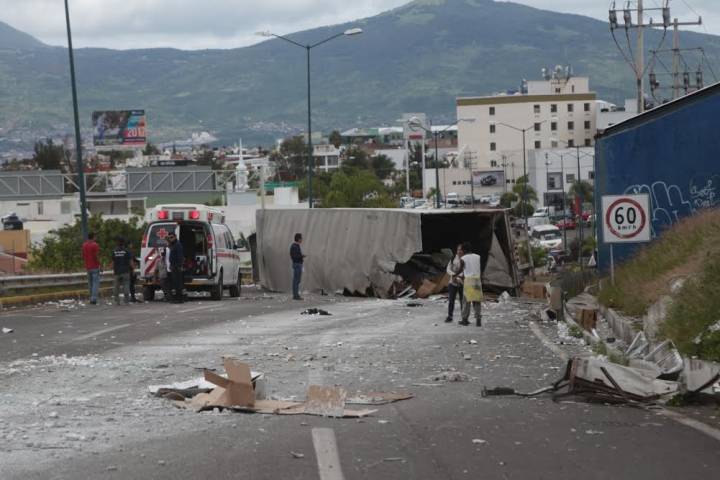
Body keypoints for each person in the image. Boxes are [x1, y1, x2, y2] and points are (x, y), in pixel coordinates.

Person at [460, 242, 483, 327]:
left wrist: (455, 275)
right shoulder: (478, 256)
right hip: (477, 280)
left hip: (468, 281)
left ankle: (464, 319)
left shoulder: (463, 258)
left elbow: (461, 269)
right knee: (477, 300)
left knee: (466, 301)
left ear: (464, 250)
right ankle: (478, 320)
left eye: (462, 249)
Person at [111, 237, 133, 306]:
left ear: (117, 243)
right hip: (125, 271)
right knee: (126, 285)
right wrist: (133, 269)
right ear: (123, 243)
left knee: (116, 286)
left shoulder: (114, 251)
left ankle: (117, 301)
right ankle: (126, 301)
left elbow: (112, 263)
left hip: (117, 272)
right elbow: (131, 262)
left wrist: (113, 269)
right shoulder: (127, 251)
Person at [445, 243, 464, 323]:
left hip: (461, 282)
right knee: (451, 300)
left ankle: (464, 317)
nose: (459, 251)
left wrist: (459, 276)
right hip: (452, 282)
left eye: (461, 250)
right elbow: (448, 269)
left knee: (462, 301)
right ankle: (450, 316)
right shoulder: (453, 258)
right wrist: (453, 275)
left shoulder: (465, 259)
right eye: (458, 249)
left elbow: (466, 270)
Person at [82, 232, 101, 305]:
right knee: (95, 283)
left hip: (88, 266)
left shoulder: (84, 245)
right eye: (95, 236)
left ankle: (91, 298)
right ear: (93, 237)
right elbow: (96, 256)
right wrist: (100, 264)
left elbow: (83, 255)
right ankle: (93, 299)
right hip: (95, 266)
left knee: (90, 283)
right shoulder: (95, 245)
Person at [167, 232, 185, 303]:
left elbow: (180, 256)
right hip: (173, 265)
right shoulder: (173, 244)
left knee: (178, 283)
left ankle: (179, 299)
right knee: (174, 283)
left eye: (171, 237)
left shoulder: (177, 245)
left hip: (177, 266)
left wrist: (179, 266)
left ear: (175, 237)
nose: (170, 239)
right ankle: (176, 298)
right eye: (169, 238)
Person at [290, 233, 305, 300]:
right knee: (296, 280)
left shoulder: (296, 246)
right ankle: (295, 295)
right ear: (298, 239)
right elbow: (294, 256)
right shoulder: (294, 246)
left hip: (298, 264)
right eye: (301, 238)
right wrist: (301, 256)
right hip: (297, 264)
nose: (302, 240)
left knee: (297, 280)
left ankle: (296, 294)